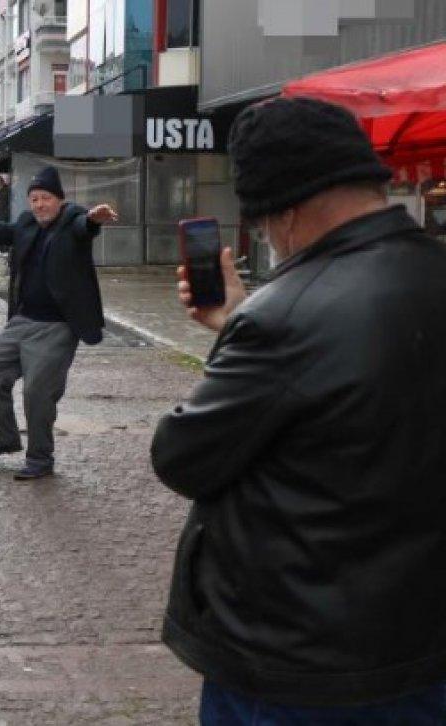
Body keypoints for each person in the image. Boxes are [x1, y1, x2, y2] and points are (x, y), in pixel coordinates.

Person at [152, 97, 446, 723]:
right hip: (423, 646)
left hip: (298, 664)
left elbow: (183, 456)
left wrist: (238, 328)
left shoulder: (283, 314)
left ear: (285, 209)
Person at [0, 167, 117, 480]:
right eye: (35, 199)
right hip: (23, 320)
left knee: (37, 391)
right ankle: (3, 438)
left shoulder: (73, 221)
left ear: (59, 200)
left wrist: (94, 220)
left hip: (57, 326)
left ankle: (40, 458)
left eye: (46, 198)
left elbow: (86, 227)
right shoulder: (27, 223)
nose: (40, 204)